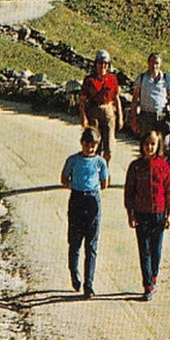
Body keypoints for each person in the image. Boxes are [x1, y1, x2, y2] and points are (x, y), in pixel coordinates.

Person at [124, 130, 170, 301]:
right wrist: (130, 212)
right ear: (142, 146)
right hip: (141, 213)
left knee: (156, 249)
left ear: (158, 145)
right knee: (144, 250)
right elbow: (129, 192)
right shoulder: (136, 167)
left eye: (153, 144)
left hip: (159, 213)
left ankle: (153, 275)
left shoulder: (163, 166)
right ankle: (147, 284)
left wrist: (169, 213)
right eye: (147, 144)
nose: (149, 147)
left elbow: (168, 191)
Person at [60, 127, 109, 297]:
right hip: (77, 199)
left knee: (91, 245)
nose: (90, 148)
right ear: (82, 143)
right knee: (74, 242)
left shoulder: (100, 162)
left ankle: (89, 284)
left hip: (93, 200)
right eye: (87, 144)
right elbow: (64, 178)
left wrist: (92, 189)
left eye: (93, 145)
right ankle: (74, 274)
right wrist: (76, 188)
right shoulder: (73, 160)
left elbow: (105, 182)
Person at [79, 50, 121, 161]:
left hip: (108, 112)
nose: (103, 66)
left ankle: (105, 170)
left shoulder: (112, 79)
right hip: (93, 112)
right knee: (94, 143)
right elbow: (82, 100)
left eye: (105, 63)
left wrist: (120, 117)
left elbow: (116, 97)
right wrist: (83, 116)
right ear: (96, 64)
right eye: (100, 63)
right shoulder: (89, 80)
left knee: (109, 146)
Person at [132, 52, 170, 149]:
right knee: (146, 146)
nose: (154, 66)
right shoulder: (141, 78)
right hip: (146, 116)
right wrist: (134, 120)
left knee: (164, 146)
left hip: (162, 116)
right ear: (148, 63)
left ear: (160, 64)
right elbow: (135, 100)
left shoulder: (167, 79)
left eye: (157, 63)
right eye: (152, 62)